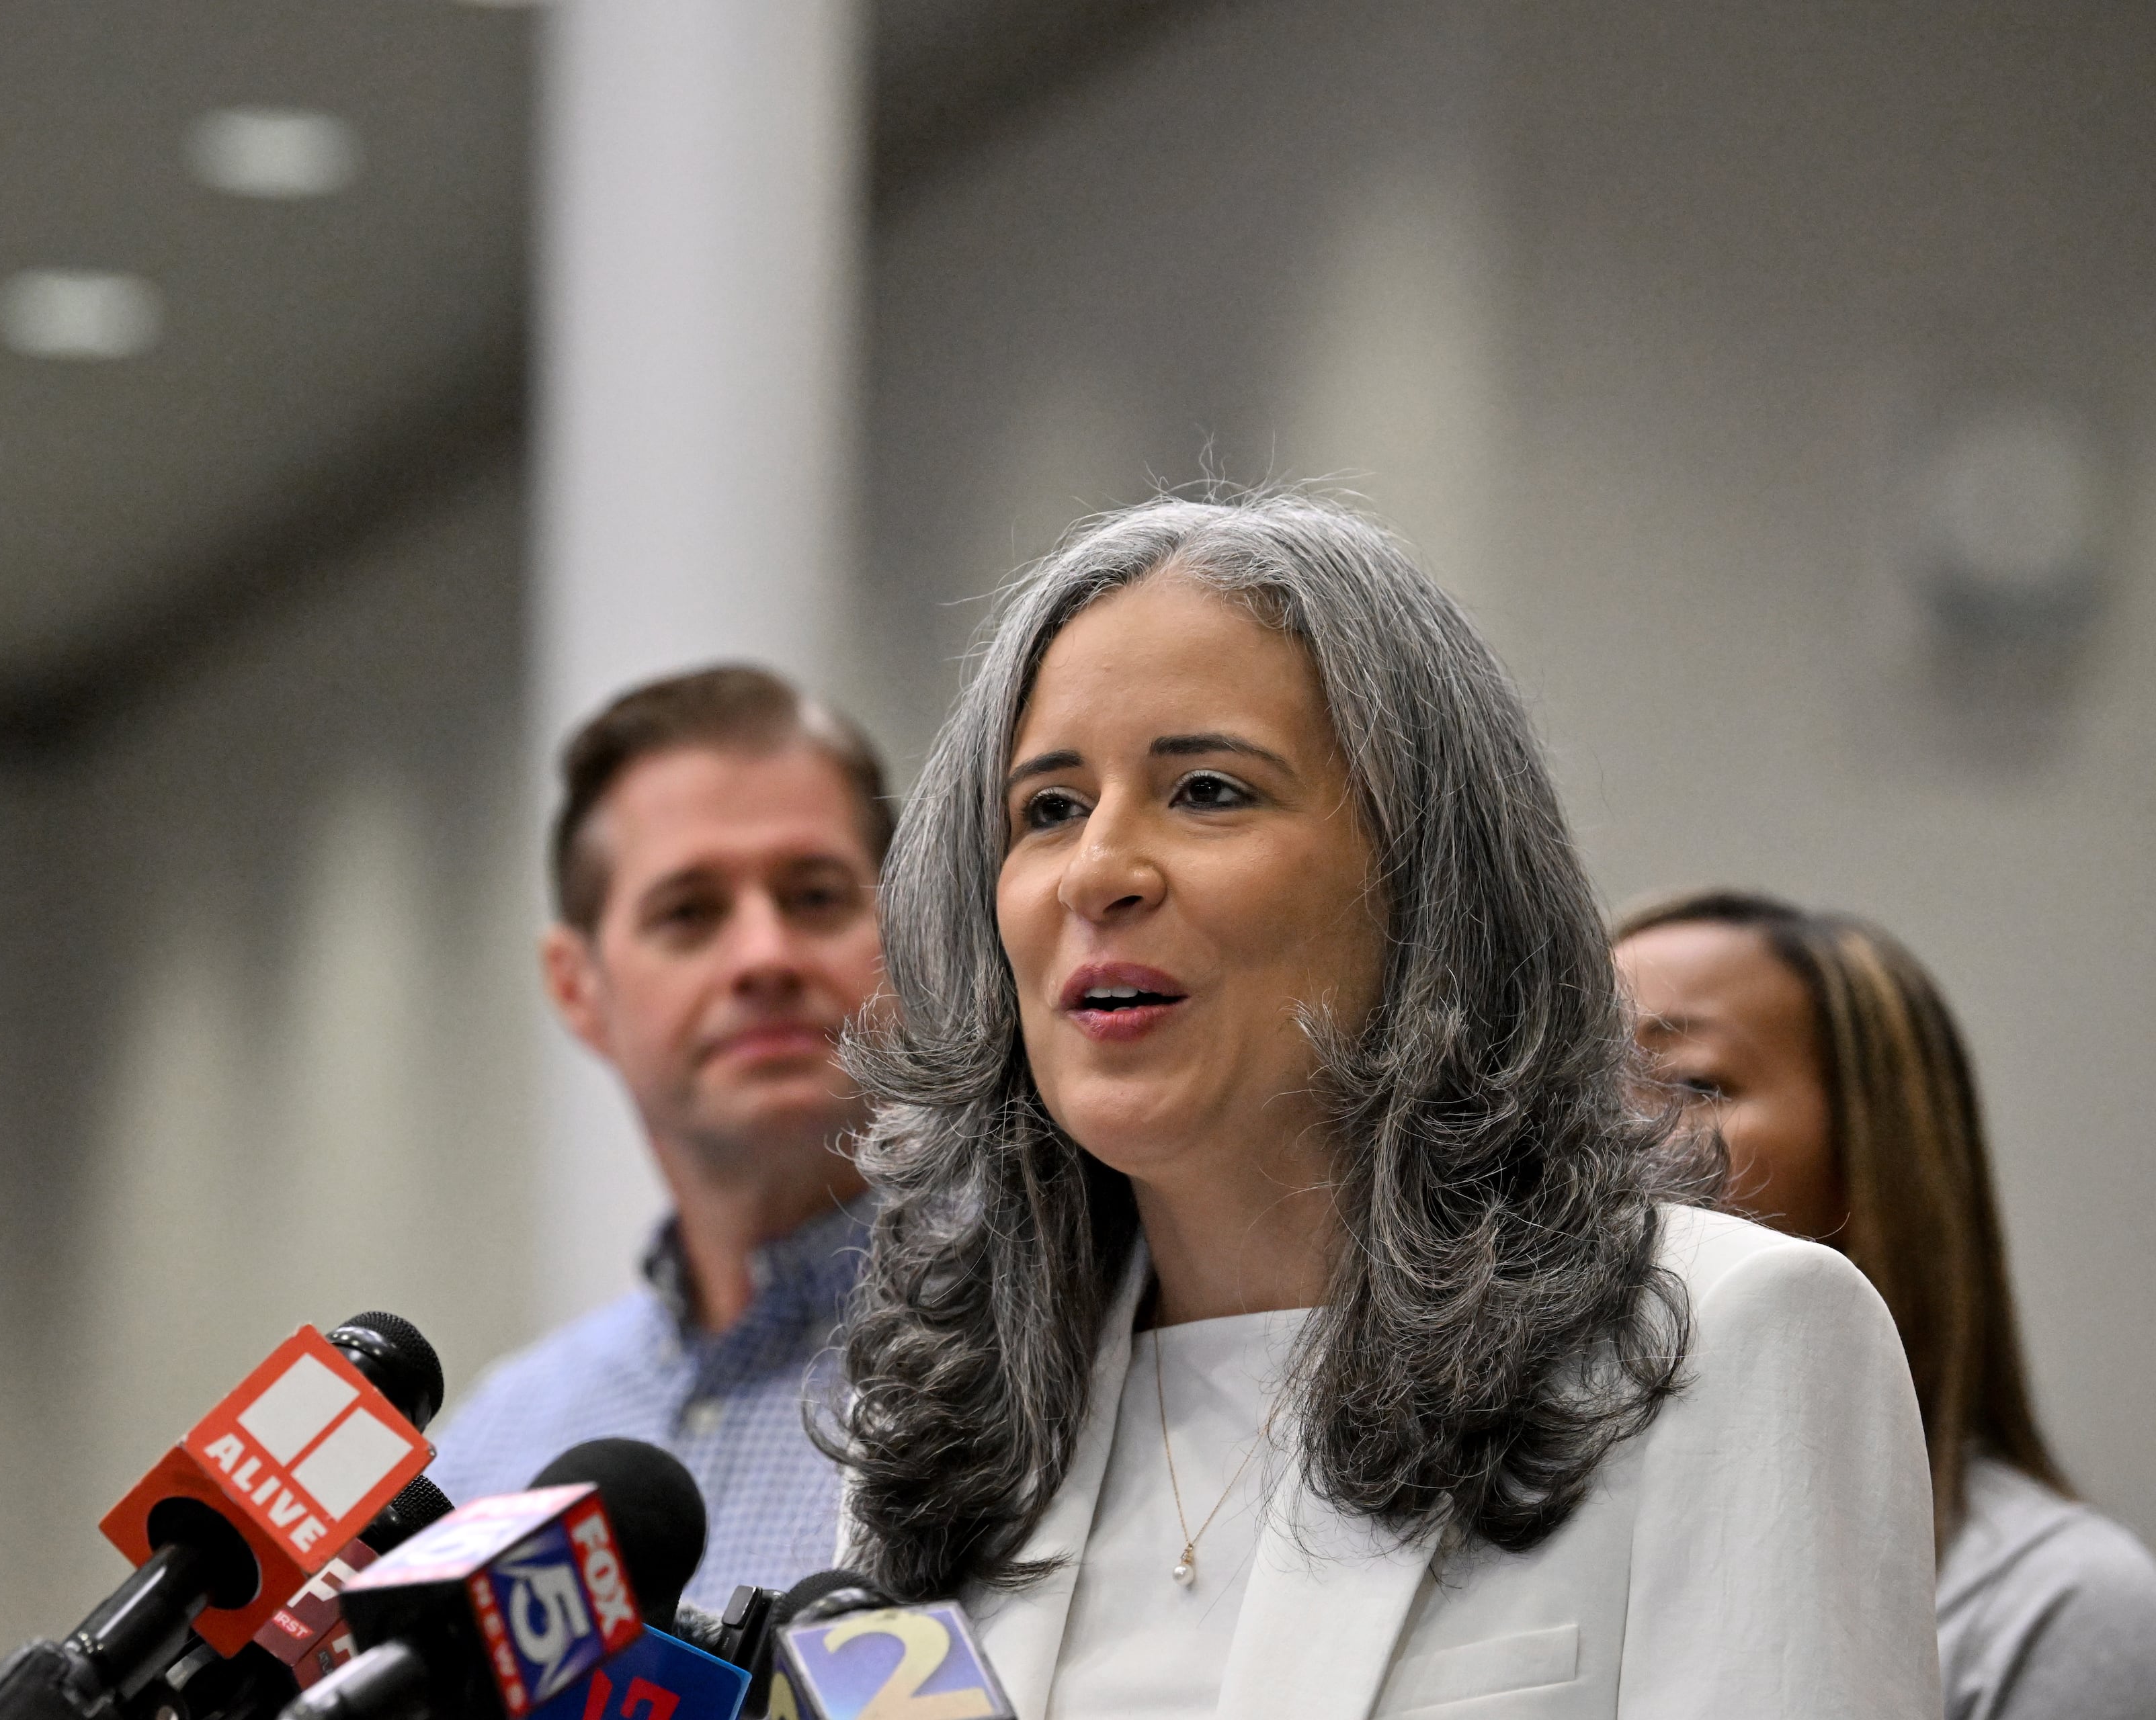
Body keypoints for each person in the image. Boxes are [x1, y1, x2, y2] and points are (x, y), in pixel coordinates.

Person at [826, 493, 1940, 1719]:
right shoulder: (947, 1418)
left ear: (1428, 878)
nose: (1098, 870)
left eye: (1206, 789)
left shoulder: (1728, 1338)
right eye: (1048, 808)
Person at [1614, 892, 2156, 1720]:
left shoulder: (2057, 1606)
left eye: (1691, 1081)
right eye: (1568, 1074)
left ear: (1874, 1165)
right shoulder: (1495, 1542)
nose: (1602, 1122)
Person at [432, 664, 889, 1606]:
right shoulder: (490, 1456)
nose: (765, 956)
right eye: (689, 913)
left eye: (814, 897)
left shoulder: (1058, 1353)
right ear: (577, 988)